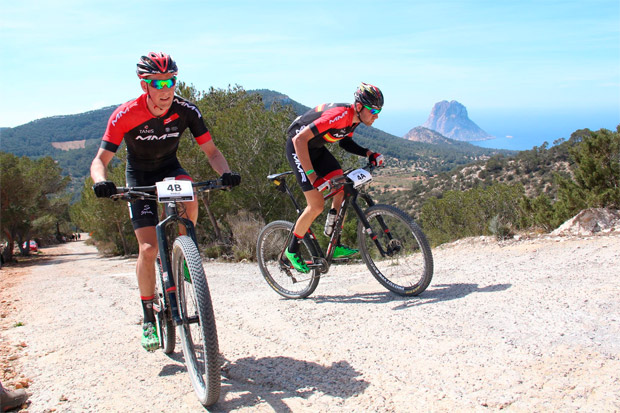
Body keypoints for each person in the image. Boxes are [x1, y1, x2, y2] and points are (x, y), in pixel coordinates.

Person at [90, 52, 241, 351]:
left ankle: (187, 253)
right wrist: (101, 182)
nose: (166, 89)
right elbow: (100, 160)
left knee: (189, 189)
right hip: (140, 176)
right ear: (144, 84)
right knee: (147, 250)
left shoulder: (187, 111)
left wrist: (226, 173)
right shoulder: (125, 114)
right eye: (158, 82)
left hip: (170, 170)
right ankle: (148, 317)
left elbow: (212, 152)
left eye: (171, 80)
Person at [284, 82, 385, 273]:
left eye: (378, 111)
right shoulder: (339, 115)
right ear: (360, 106)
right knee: (316, 205)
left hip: (316, 149)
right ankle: (292, 250)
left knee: (342, 188)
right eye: (373, 110)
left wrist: (368, 153)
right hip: (298, 148)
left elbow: (345, 142)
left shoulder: (355, 119)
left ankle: (334, 240)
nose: (376, 115)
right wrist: (313, 177)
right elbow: (299, 140)